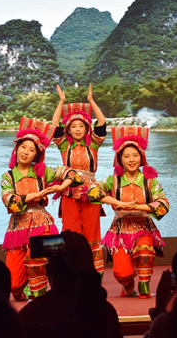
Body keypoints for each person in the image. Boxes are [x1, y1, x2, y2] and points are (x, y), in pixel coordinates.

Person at [1, 116, 82, 301]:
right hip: (17, 228)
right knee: (13, 285)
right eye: (23, 147)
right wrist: (36, 195)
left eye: (32, 150)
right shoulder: (8, 176)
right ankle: (25, 290)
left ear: (36, 155)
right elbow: (9, 201)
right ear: (16, 148)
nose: (26, 152)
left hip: (43, 224)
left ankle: (40, 301)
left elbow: (72, 173)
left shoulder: (42, 172)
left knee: (36, 258)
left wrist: (61, 187)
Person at [87, 126, 169, 298]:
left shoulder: (150, 182)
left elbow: (163, 204)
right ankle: (128, 285)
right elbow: (92, 191)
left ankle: (144, 284)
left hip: (144, 227)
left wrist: (137, 207)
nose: (131, 160)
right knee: (121, 273)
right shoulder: (113, 180)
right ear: (120, 160)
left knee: (145, 248)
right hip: (120, 230)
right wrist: (118, 203)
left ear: (142, 157)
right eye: (126, 156)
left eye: (135, 155)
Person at [50, 84, 107, 274]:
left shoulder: (94, 144)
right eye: (73, 126)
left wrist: (91, 101)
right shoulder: (64, 145)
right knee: (70, 232)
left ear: (86, 128)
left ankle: (94, 273)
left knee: (92, 233)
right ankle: (71, 272)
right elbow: (54, 126)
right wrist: (61, 102)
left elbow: (102, 122)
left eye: (81, 126)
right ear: (68, 129)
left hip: (91, 192)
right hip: (69, 191)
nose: (77, 129)